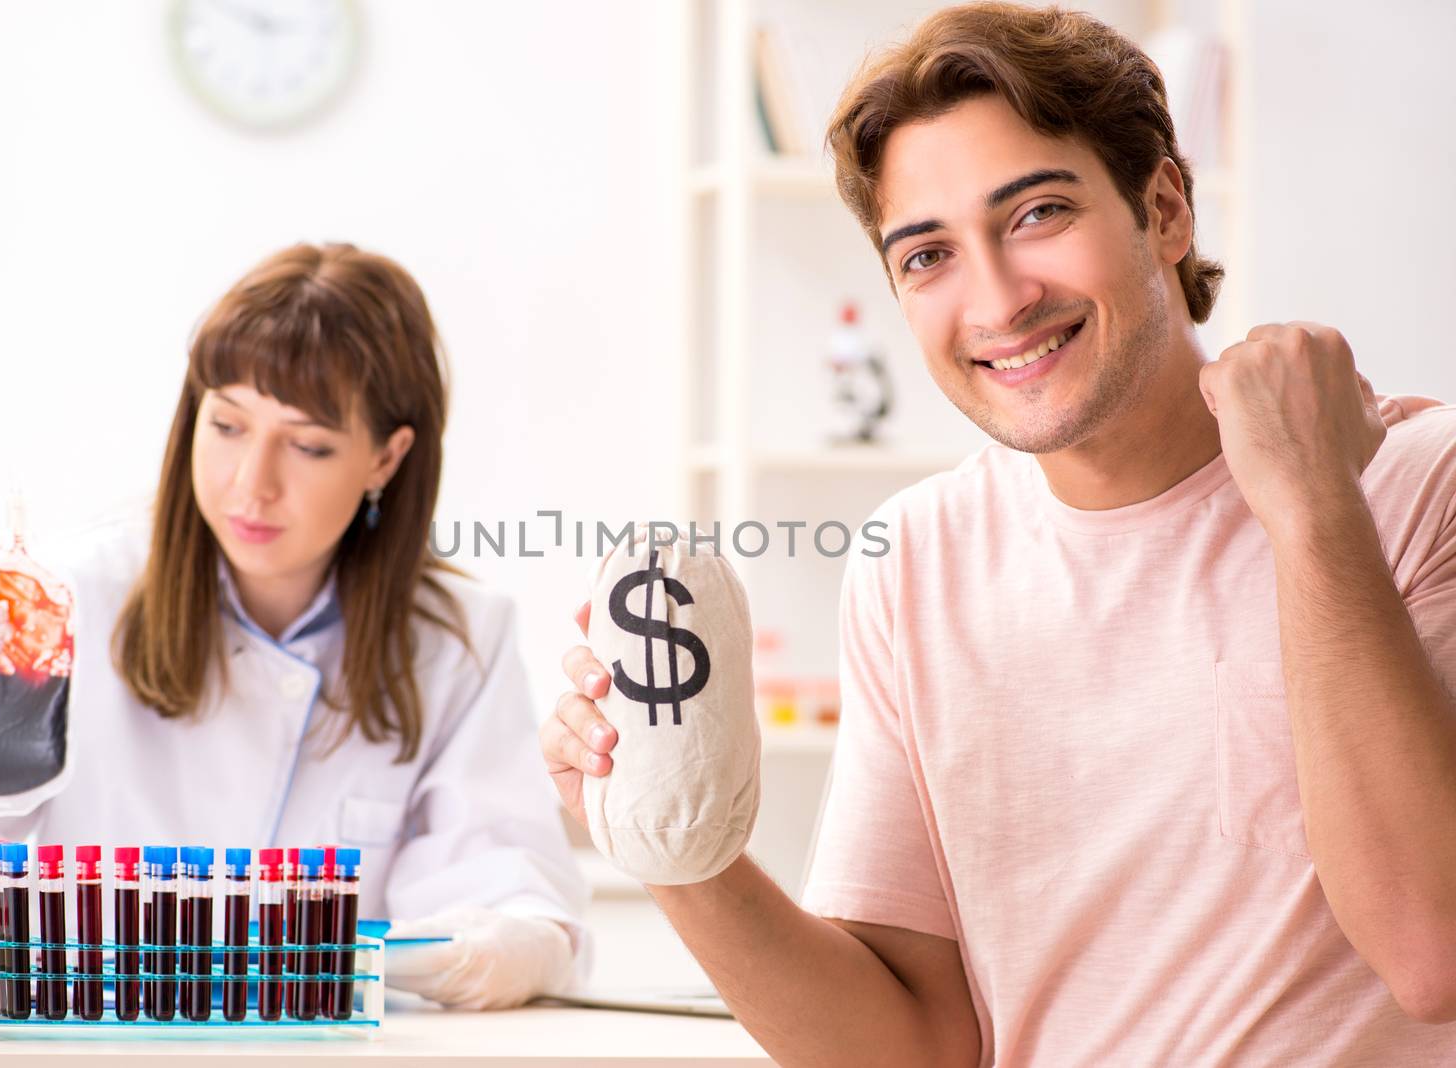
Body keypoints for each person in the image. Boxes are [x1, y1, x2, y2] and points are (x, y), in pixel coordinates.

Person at [541, 3, 1456, 1064]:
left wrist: (1309, 511)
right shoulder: (917, 557)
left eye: (1035, 216)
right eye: (927, 255)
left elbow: (1432, 951)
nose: (997, 300)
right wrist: (670, 844)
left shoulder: (1412, 485)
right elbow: (915, 1045)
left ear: (1163, 208)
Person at [0, 241, 587, 1010]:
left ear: (386, 457)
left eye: (308, 444)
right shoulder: (62, 603)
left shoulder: (455, 644)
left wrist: (512, 946)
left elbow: (506, 891)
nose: (252, 484)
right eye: (229, 425)